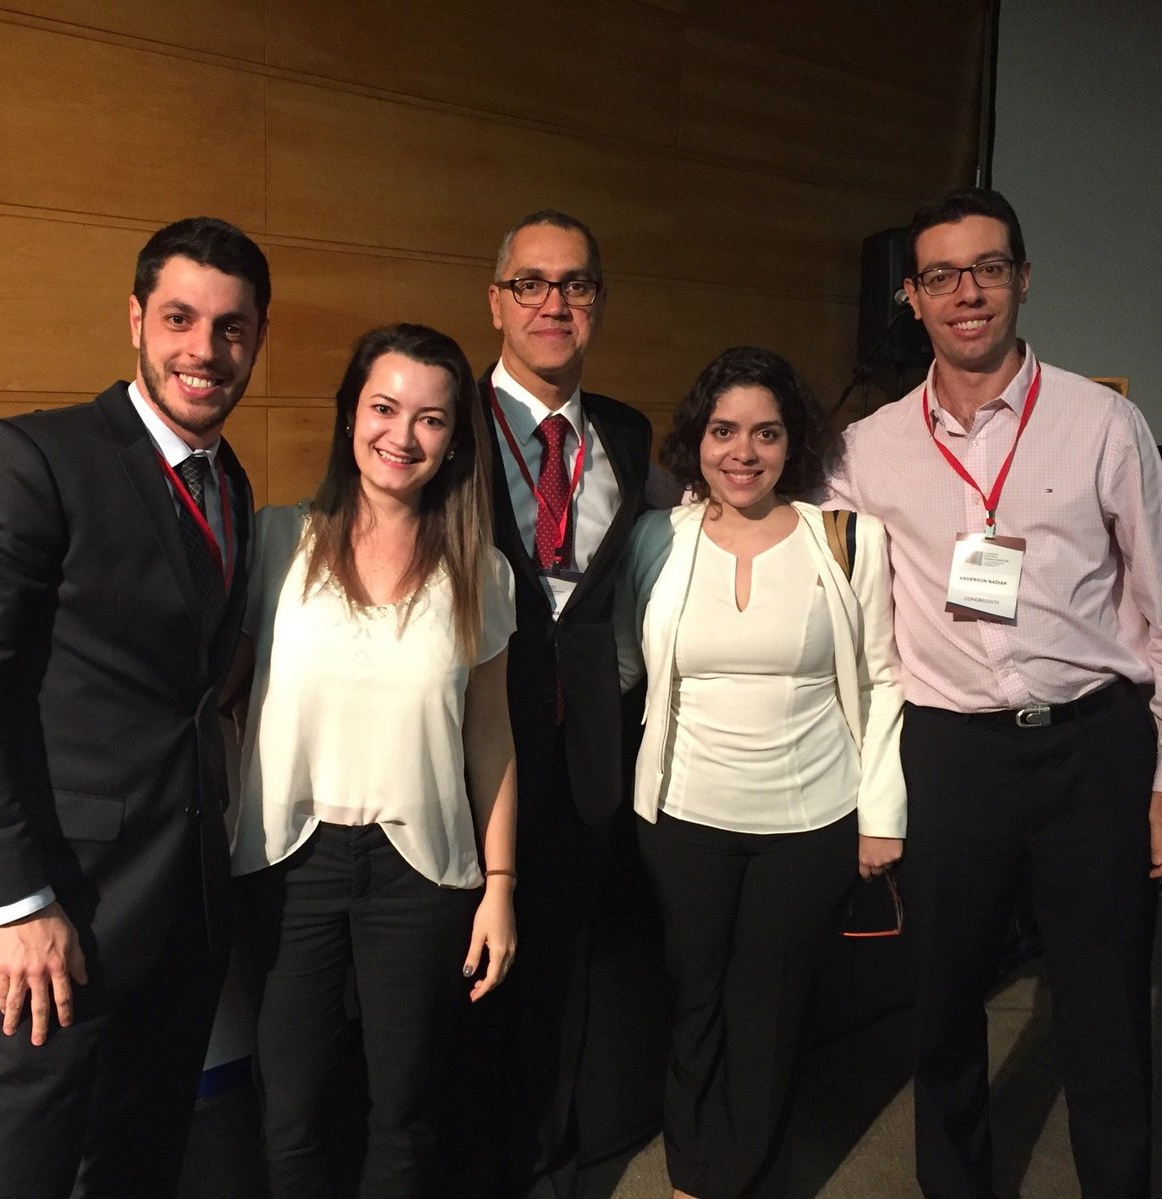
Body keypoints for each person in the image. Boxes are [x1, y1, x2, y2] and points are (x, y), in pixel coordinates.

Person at [826, 188, 1162, 1199]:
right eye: (942, 276)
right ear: (911, 298)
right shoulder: (866, 448)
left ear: (1021, 279)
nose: (968, 293)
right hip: (948, 755)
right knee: (941, 1003)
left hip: (1091, 747)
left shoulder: (1102, 423)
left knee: (1101, 1009)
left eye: (989, 268)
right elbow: (813, 589)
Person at [0, 217, 269, 1197]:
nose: (204, 349)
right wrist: (17, 902)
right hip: (55, 916)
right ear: (135, 319)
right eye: (180, 318)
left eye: (231, 327)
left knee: (139, 1163)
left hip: (180, 911)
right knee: (28, 1175)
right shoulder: (31, 457)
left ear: (256, 340)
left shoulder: (230, 482)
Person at [232, 323, 519, 1198]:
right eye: (384, 407)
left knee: (403, 1111)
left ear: (455, 440)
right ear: (349, 414)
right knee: (293, 1113)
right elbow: (216, 700)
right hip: (289, 860)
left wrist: (500, 885)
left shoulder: (481, 568)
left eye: (431, 419)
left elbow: (491, 735)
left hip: (420, 873)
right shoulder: (273, 541)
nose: (403, 435)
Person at [618, 347, 905, 1199]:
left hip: (809, 822)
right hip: (680, 817)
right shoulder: (653, 539)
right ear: (697, 439)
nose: (744, 452)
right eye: (724, 430)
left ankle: (740, 1177)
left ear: (794, 444)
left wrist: (882, 814)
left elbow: (886, 677)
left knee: (767, 1014)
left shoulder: (847, 539)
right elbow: (626, 666)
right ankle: (687, 1172)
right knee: (695, 1001)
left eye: (767, 433)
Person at [465, 208, 654, 1199]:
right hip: (461, 757)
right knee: (457, 989)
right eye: (531, 283)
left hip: (583, 758)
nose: (553, 303)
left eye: (575, 284)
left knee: (557, 987)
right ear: (495, 300)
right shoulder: (439, 417)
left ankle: (545, 1171)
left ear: (596, 304)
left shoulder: (624, 431)